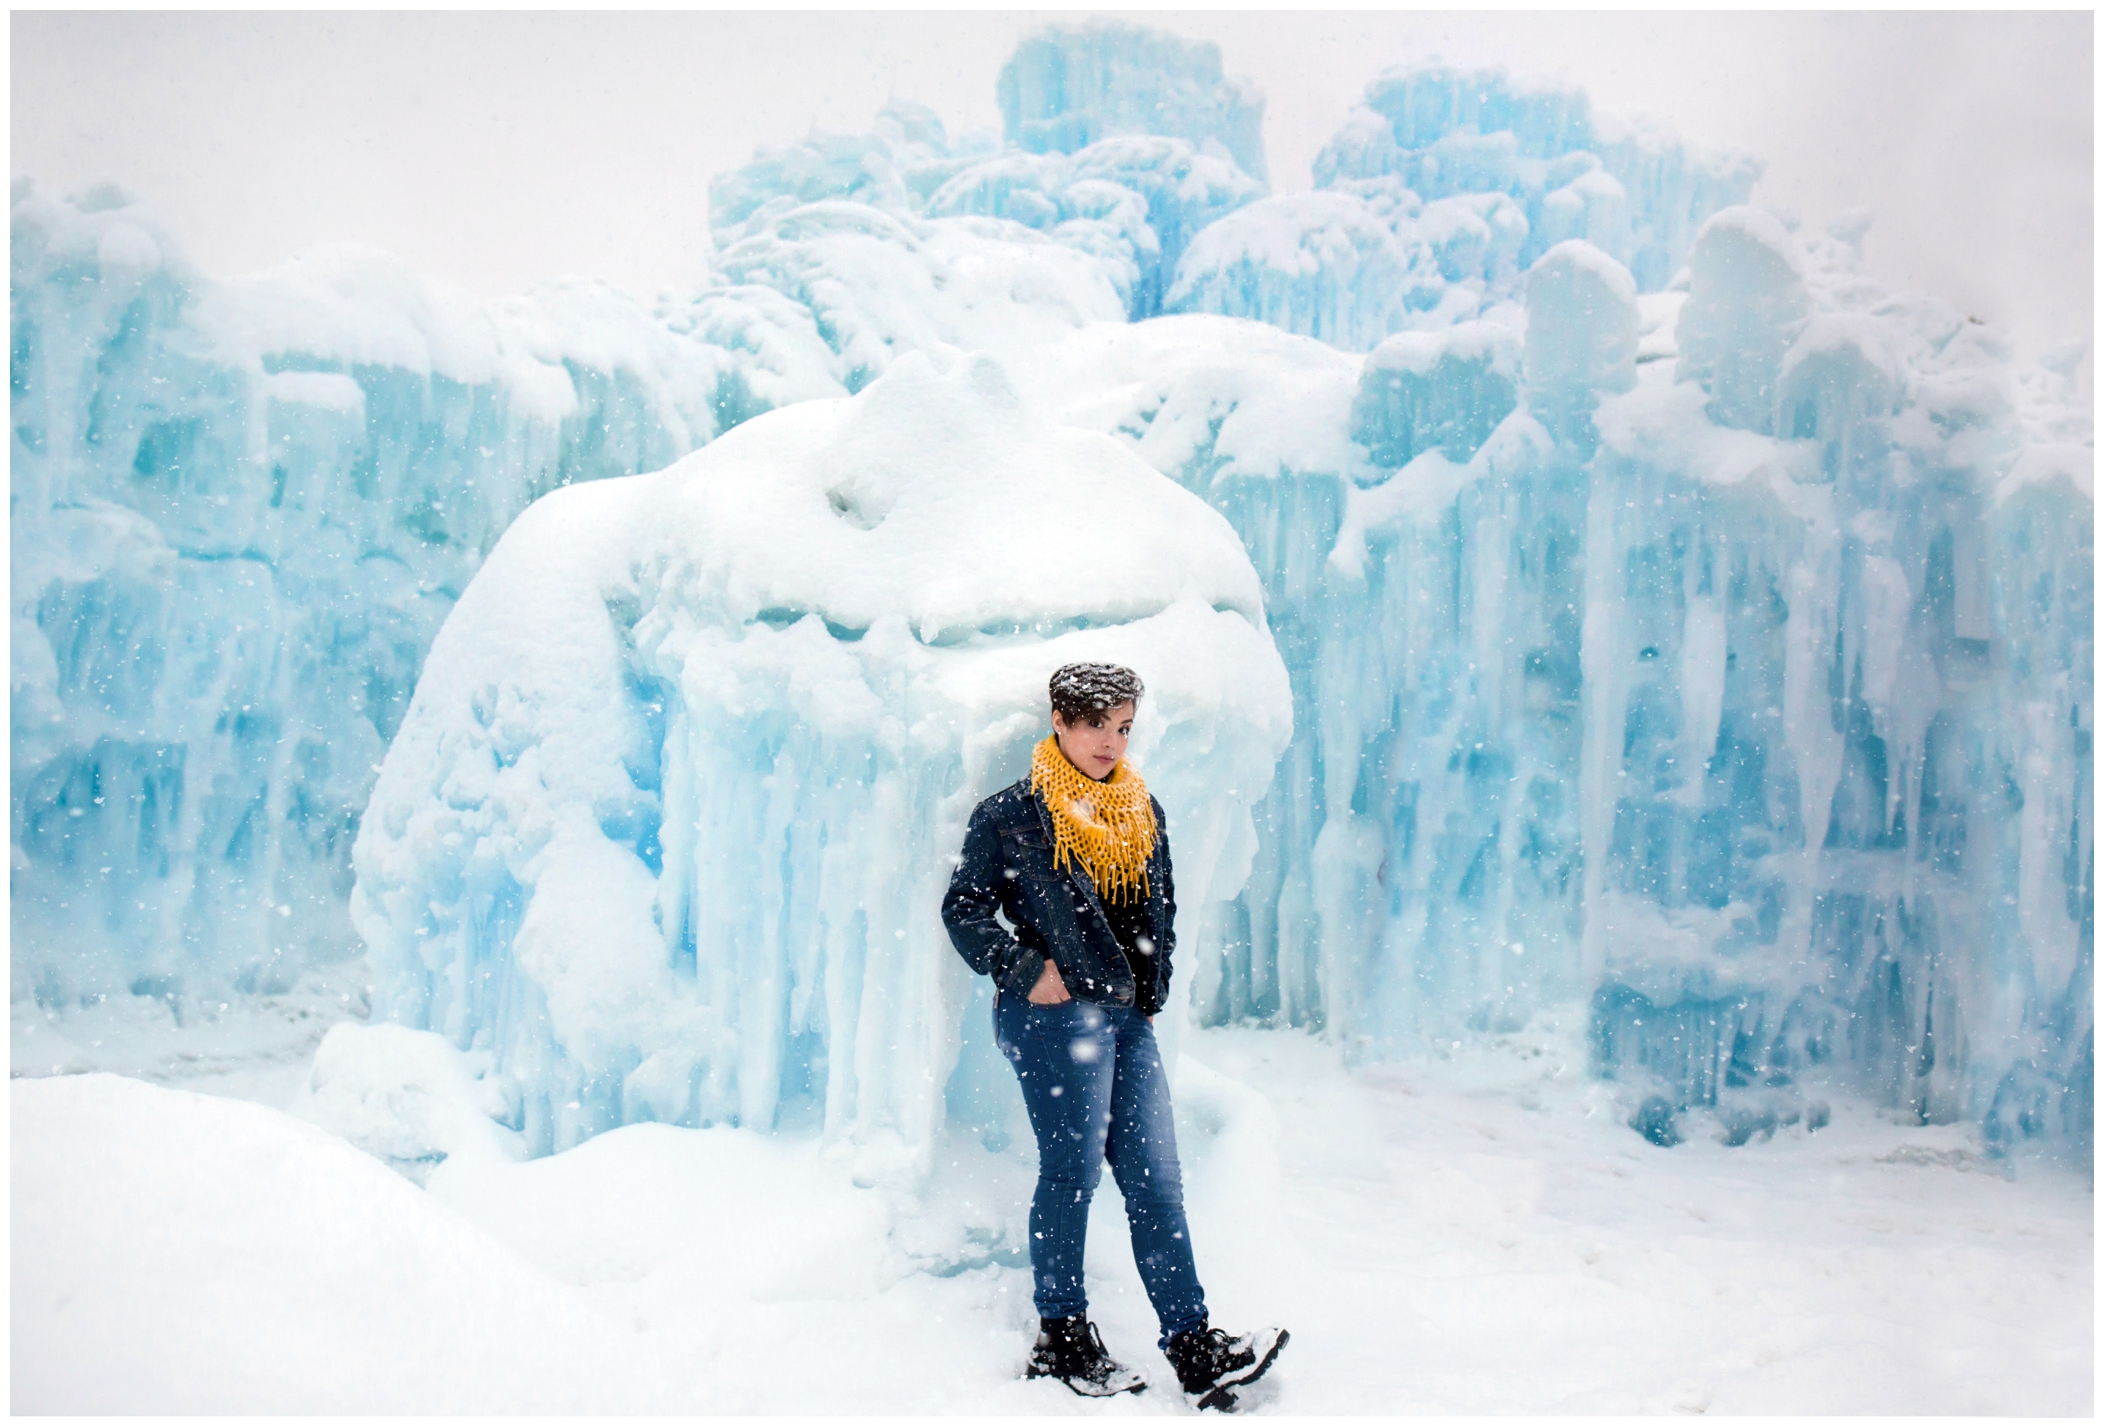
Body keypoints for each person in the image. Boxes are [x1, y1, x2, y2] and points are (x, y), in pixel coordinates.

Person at [941, 661, 1288, 1409]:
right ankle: (1061, 1338)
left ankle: (1192, 1345)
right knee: (1072, 1174)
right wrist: (1022, 967)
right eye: (1097, 724)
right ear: (1060, 722)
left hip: (1126, 1018)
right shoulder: (1012, 814)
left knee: (1158, 1181)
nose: (1111, 741)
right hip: (1054, 1014)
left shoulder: (1141, 808)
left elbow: (1153, 911)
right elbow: (963, 908)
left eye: (1124, 726)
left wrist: (1149, 990)